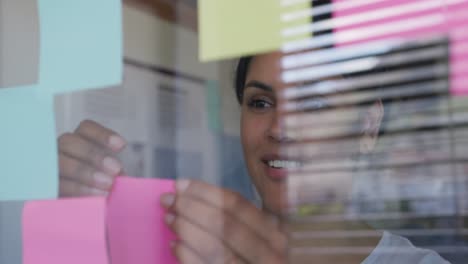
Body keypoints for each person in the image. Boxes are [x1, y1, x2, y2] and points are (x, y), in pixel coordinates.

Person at [57, 51, 450, 263]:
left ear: (368, 124)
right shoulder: (191, 247)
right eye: (260, 102)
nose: (280, 128)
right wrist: (79, 228)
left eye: (312, 104)